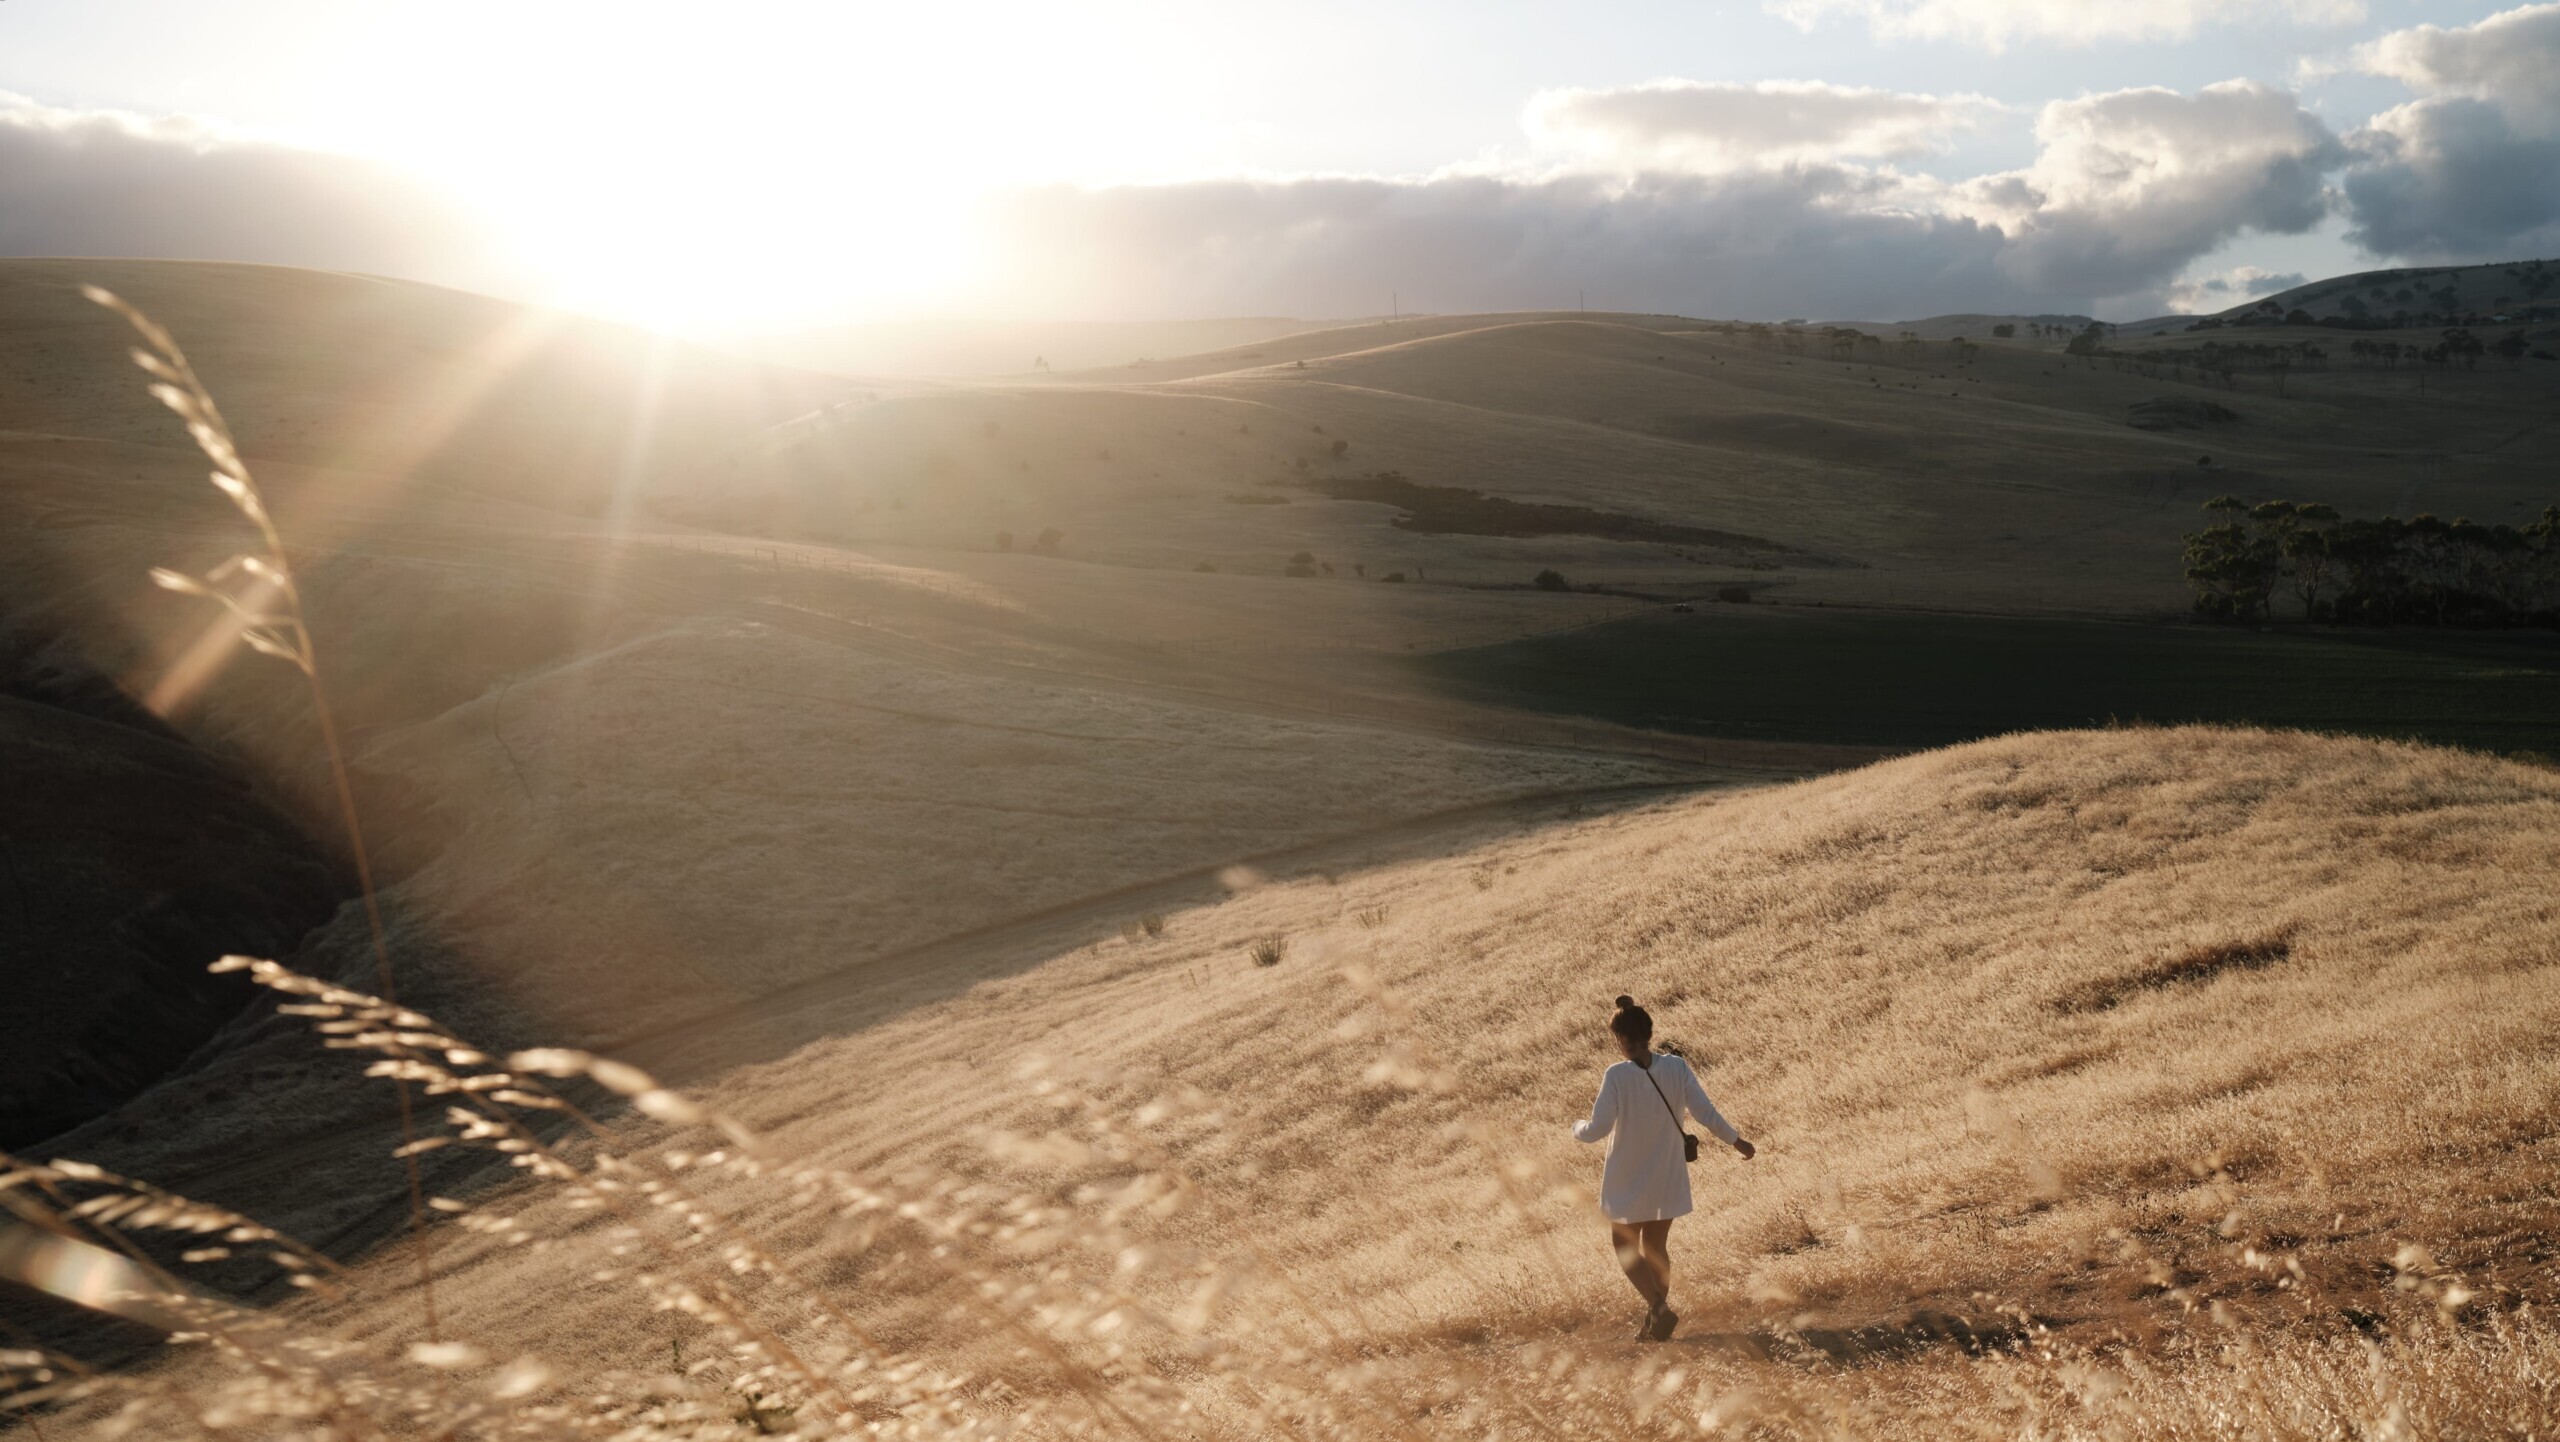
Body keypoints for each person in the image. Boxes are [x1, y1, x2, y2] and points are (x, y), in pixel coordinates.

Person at [1572, 995, 1753, 1342]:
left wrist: (1575, 1126)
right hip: (1667, 1174)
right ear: (1650, 1033)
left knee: (1624, 1247)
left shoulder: (1617, 1076)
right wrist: (1737, 1141)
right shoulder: (1676, 1067)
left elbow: (1596, 1130)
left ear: (1621, 1039)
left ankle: (1658, 1307)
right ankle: (1656, 1319)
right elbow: (1706, 1112)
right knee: (1656, 1248)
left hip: (1628, 1178)